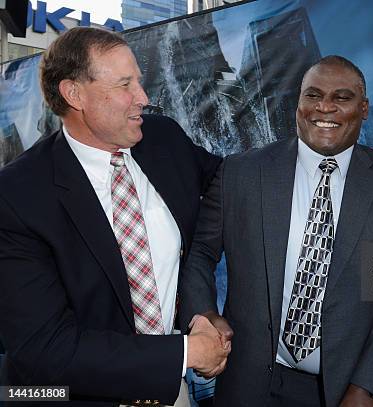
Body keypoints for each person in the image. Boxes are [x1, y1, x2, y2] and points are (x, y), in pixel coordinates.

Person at [179, 55, 373, 406]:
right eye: (312, 95)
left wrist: (368, 386)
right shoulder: (241, 173)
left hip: (346, 390)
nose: (324, 107)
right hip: (248, 385)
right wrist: (204, 314)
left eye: (342, 98)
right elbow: (200, 254)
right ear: (298, 103)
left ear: (364, 108)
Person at [0, 27, 228, 405]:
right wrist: (187, 353)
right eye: (125, 84)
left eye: (138, 81)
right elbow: (45, 350)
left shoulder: (164, 141)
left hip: (173, 393)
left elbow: (230, 186)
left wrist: (199, 309)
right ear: (74, 94)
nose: (143, 97)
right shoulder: (18, 197)